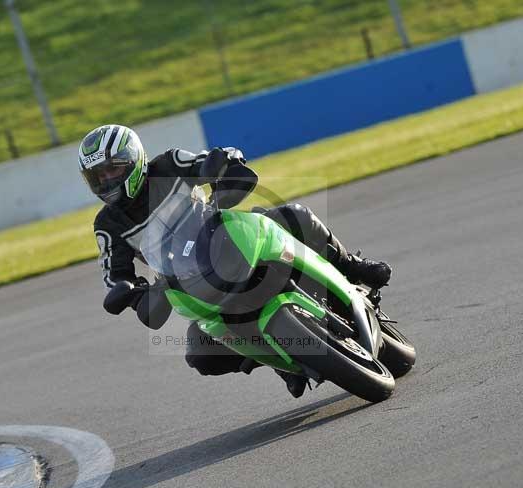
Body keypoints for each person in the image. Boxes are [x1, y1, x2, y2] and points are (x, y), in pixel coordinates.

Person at [80, 124, 391, 398]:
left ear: (134, 161)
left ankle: (351, 266)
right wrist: (130, 291)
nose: (107, 180)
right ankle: (279, 362)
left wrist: (224, 162)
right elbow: (114, 272)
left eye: (114, 169)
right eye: (99, 176)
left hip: (225, 236)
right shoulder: (107, 223)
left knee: (294, 216)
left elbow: (208, 161)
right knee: (200, 354)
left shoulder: (169, 163)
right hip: (186, 279)